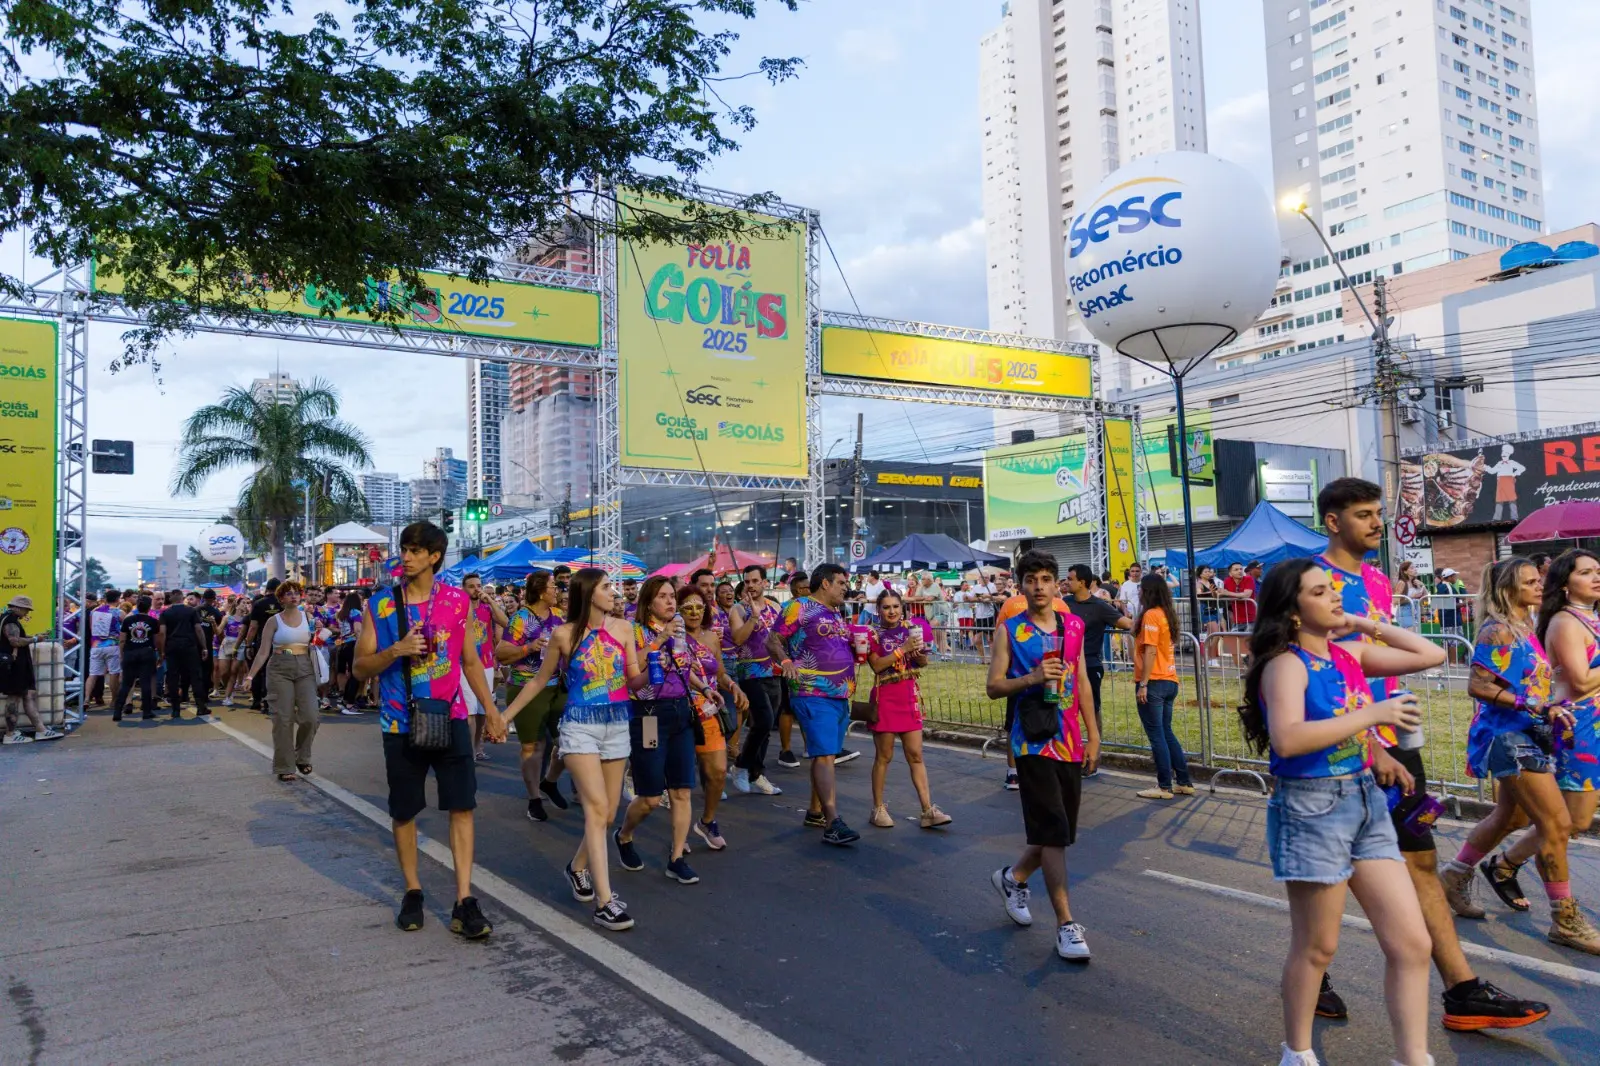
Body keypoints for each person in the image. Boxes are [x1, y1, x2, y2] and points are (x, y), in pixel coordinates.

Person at [1312, 477, 1551, 1034]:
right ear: (1333, 521)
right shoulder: (1312, 581)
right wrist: (1367, 737)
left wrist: (1394, 706)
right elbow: (1320, 668)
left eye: (1378, 513)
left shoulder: (1374, 578)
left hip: (1393, 741)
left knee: (1419, 858)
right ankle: (1312, 973)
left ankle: (1463, 991)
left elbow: (1385, 654)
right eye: (1365, 514)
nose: (1377, 523)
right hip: (1342, 746)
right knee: (1328, 873)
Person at [1237, 558, 1440, 1066]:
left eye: (1333, 590)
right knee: (1318, 947)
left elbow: (1431, 653)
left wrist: (1366, 624)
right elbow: (1288, 738)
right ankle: (1298, 1053)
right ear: (1294, 612)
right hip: (1312, 807)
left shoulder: (1346, 655)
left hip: (1365, 802)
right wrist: (1372, 714)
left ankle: (1413, 1058)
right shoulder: (1285, 665)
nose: (1335, 598)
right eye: (1320, 592)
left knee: (1413, 943)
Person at [1440, 556, 1600, 959]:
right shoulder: (1497, 630)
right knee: (1557, 823)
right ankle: (1565, 920)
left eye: (1538, 580)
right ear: (1509, 588)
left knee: (1511, 818)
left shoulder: (1526, 626)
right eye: (1529, 581)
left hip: (1529, 733)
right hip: (1507, 737)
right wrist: (1532, 704)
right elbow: (1477, 686)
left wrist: (1546, 707)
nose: (1538, 586)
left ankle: (1454, 876)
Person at [353, 521, 507, 939]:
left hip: (451, 717)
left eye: (416, 550)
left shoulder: (458, 601)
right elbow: (360, 666)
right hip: (399, 722)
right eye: (404, 548)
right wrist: (396, 650)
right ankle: (413, 891)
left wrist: (491, 710)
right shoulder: (381, 605)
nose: (406, 556)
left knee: (462, 806)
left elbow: (470, 662)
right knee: (404, 810)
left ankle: (463, 900)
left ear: (435, 556)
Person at [503, 568, 646, 932]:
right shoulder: (564, 634)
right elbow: (539, 680)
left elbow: (633, 679)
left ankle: (577, 867)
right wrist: (504, 716)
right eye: (606, 587)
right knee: (596, 808)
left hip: (617, 722)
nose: (614, 592)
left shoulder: (625, 629)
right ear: (588, 594)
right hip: (579, 724)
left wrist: (657, 668)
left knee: (609, 813)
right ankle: (604, 902)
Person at [986, 550, 1099, 961]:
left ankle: (1013, 878)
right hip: (1032, 741)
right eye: (1031, 578)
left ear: (1057, 585)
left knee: (1059, 829)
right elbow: (994, 686)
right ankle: (1066, 925)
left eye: (1046, 578)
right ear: (1021, 584)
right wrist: (1032, 677)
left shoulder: (1074, 626)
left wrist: (1094, 735)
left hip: (1069, 739)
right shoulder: (1010, 630)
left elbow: (1083, 681)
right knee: (1053, 831)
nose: (1039, 586)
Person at [614, 576, 727, 884]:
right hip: (649, 716)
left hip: (680, 713)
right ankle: (624, 835)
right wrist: (658, 638)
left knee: (681, 790)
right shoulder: (633, 630)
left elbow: (684, 666)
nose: (670, 602)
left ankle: (676, 858)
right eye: (663, 596)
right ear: (648, 601)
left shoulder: (678, 628)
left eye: (672, 596)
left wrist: (705, 688)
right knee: (650, 797)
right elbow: (630, 670)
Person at [765, 562, 861, 845]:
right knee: (823, 755)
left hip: (839, 694)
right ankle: (833, 822)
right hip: (811, 691)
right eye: (842, 583)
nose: (846, 587)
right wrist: (785, 661)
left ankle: (815, 811)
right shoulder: (799, 607)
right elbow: (773, 640)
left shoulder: (835, 612)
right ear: (826, 584)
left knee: (826, 753)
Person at [865, 590, 950, 829]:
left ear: (902, 607)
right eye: (886, 607)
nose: (891, 611)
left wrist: (920, 654)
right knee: (884, 756)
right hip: (885, 696)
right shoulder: (872, 633)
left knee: (916, 755)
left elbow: (923, 662)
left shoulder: (913, 628)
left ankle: (927, 810)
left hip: (908, 694)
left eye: (895, 606)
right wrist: (903, 648)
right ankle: (878, 808)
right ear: (878, 609)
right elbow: (877, 666)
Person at [497, 571, 569, 822]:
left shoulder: (559, 616)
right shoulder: (522, 618)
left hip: (557, 686)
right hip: (527, 686)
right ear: (540, 592)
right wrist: (528, 647)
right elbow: (501, 653)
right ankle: (534, 798)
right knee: (533, 747)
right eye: (552, 586)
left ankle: (550, 782)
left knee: (568, 740)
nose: (557, 590)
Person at [680, 584, 745, 850]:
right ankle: (679, 831)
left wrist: (733, 686)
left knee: (717, 773)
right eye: (688, 607)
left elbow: (718, 674)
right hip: (680, 710)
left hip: (708, 711)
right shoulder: (670, 637)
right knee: (680, 779)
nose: (694, 612)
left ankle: (707, 821)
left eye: (699, 607)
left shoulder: (711, 638)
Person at [243, 581, 321, 780]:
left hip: (305, 666)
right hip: (279, 667)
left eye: (296, 593)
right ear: (281, 599)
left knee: (311, 716)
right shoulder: (274, 621)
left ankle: (302, 757)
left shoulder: (308, 617)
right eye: (288, 594)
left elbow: (318, 641)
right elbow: (263, 651)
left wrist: (321, 631)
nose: (293, 596)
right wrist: (250, 676)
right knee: (283, 719)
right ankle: (284, 766)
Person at [1133, 573, 1195, 801]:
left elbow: (1150, 651)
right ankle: (1184, 782)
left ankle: (1164, 786)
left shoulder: (1150, 615)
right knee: (1166, 732)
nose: (1138, 592)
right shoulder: (1166, 614)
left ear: (1148, 592)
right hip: (1170, 680)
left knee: (1157, 735)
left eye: (1141, 588)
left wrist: (1143, 684)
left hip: (1155, 682)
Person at [727, 564, 784, 796]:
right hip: (750, 672)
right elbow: (738, 639)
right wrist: (753, 618)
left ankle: (756, 773)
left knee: (766, 726)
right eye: (747, 581)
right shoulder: (738, 610)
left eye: (754, 581)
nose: (750, 585)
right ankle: (740, 766)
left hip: (775, 672)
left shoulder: (776, 607)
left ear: (764, 582)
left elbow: (782, 638)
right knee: (763, 721)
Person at [1063, 564, 1130, 744]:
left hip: (1090, 665)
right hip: (1064, 666)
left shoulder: (1100, 606)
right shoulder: (1064, 603)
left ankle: (1095, 752)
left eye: (1070, 579)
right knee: (1063, 709)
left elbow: (1126, 623)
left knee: (1092, 710)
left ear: (1082, 582)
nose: (1066, 582)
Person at [2, 595, 64, 743]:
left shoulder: (7, 619)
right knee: (14, 698)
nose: (27, 613)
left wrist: (33, 637)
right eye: (25, 610)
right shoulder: (10, 621)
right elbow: (15, 641)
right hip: (14, 666)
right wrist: (35, 639)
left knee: (26, 695)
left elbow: (15, 638)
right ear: (17, 608)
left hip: (17, 665)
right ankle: (10, 734)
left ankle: (40, 729)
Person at [461, 573, 507, 762]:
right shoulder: (459, 608)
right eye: (471, 586)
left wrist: (491, 600)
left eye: (478, 585)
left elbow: (506, 623)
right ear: (463, 588)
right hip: (464, 664)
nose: (476, 589)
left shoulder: (487, 609)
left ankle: (478, 747)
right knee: (470, 711)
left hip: (486, 664)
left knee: (482, 710)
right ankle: (469, 751)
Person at [159, 589, 210, 721]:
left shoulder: (165, 613)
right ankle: (200, 706)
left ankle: (176, 708)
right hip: (189, 646)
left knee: (173, 676)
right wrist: (204, 647)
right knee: (195, 675)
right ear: (182, 598)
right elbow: (198, 629)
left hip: (172, 647)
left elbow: (162, 633)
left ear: (170, 599)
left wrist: (162, 650)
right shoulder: (191, 611)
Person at [113, 596, 161, 722]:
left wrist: (122, 654)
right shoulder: (153, 621)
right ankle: (146, 711)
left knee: (126, 683)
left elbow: (122, 639)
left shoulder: (128, 620)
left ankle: (118, 711)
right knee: (145, 683)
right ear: (149, 606)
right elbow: (156, 641)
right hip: (147, 653)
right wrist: (159, 654)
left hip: (130, 653)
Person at [243, 578, 283, 712]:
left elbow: (253, 627)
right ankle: (269, 703)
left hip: (262, 642)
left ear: (267, 589)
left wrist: (248, 645)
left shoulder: (258, 604)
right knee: (273, 673)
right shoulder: (283, 604)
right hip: (281, 643)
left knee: (258, 671)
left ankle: (256, 701)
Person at [85, 588, 122, 709]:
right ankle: (114, 700)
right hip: (113, 645)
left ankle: (86, 699)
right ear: (117, 599)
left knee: (93, 674)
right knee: (113, 673)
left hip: (96, 645)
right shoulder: (118, 612)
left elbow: (92, 628)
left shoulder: (94, 611)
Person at [214, 599, 248, 707]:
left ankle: (228, 697)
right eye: (243, 603)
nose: (245, 605)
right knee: (223, 672)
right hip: (227, 644)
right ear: (237, 605)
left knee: (233, 671)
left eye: (247, 603)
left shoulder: (246, 619)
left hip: (240, 645)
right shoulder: (227, 617)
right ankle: (230, 688)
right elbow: (218, 632)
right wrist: (213, 623)